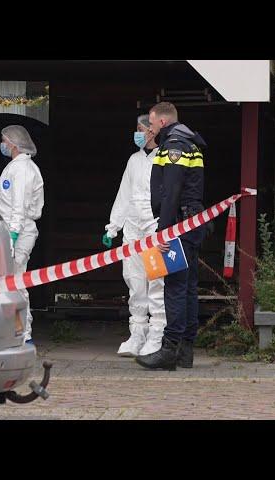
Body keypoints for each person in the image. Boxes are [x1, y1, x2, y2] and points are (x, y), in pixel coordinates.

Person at [135, 102, 207, 371]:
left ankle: (169, 350)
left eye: (152, 124)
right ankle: (185, 350)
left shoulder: (174, 145)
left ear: (162, 122)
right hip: (190, 223)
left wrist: (164, 231)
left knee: (175, 287)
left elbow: (171, 192)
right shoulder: (190, 142)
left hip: (178, 226)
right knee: (187, 288)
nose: (150, 130)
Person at [103, 114, 166, 356]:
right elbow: (124, 194)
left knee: (156, 280)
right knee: (134, 280)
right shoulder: (133, 160)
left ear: (153, 131)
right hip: (132, 229)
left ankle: (157, 332)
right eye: (136, 128)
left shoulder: (164, 158)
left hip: (154, 227)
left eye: (141, 129)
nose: (138, 133)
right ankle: (137, 332)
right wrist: (113, 226)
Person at [0, 125, 44, 345]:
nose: (2, 144)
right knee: (9, 284)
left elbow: (19, 205)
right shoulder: (15, 166)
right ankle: (16, 331)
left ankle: (24, 332)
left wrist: (13, 234)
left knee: (16, 283)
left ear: (12, 143)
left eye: (4, 140)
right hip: (11, 228)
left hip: (19, 231)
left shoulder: (22, 168)